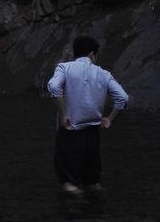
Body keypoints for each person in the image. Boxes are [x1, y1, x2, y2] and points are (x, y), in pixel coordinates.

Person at [47, 35, 128, 194]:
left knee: (69, 184)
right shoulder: (103, 73)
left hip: (70, 130)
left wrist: (63, 114)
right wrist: (110, 119)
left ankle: (75, 209)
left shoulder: (65, 68)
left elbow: (53, 86)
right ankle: (94, 209)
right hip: (93, 132)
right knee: (93, 183)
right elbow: (123, 98)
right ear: (92, 54)